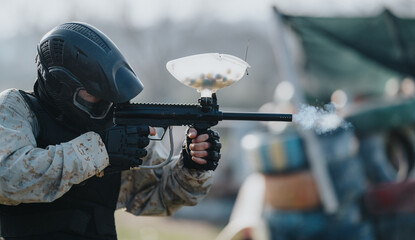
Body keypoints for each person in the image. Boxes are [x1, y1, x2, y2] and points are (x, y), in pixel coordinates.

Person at [0, 22, 222, 240]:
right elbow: (7, 179)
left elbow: (156, 198)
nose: (104, 103)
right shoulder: (17, 108)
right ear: (60, 84)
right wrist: (99, 151)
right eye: (94, 92)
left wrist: (191, 167)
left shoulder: (115, 123)